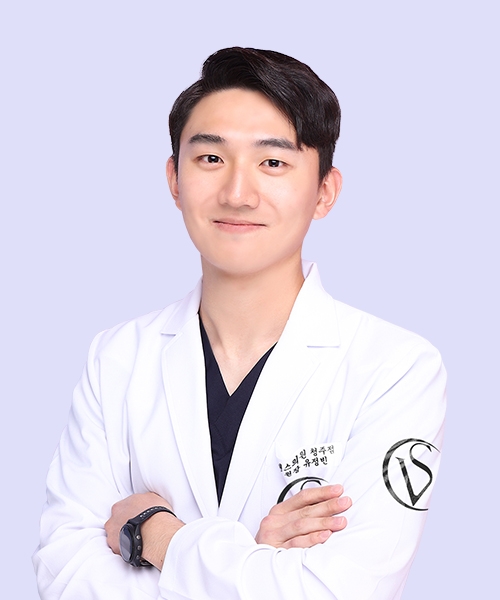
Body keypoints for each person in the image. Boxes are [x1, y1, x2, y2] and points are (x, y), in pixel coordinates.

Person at [33, 47, 446, 600]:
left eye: (272, 163)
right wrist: (254, 554)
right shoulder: (117, 358)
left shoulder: (395, 368)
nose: (236, 194)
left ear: (325, 191)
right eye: (211, 158)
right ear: (174, 180)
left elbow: (344, 590)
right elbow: (63, 575)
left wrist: (156, 536)